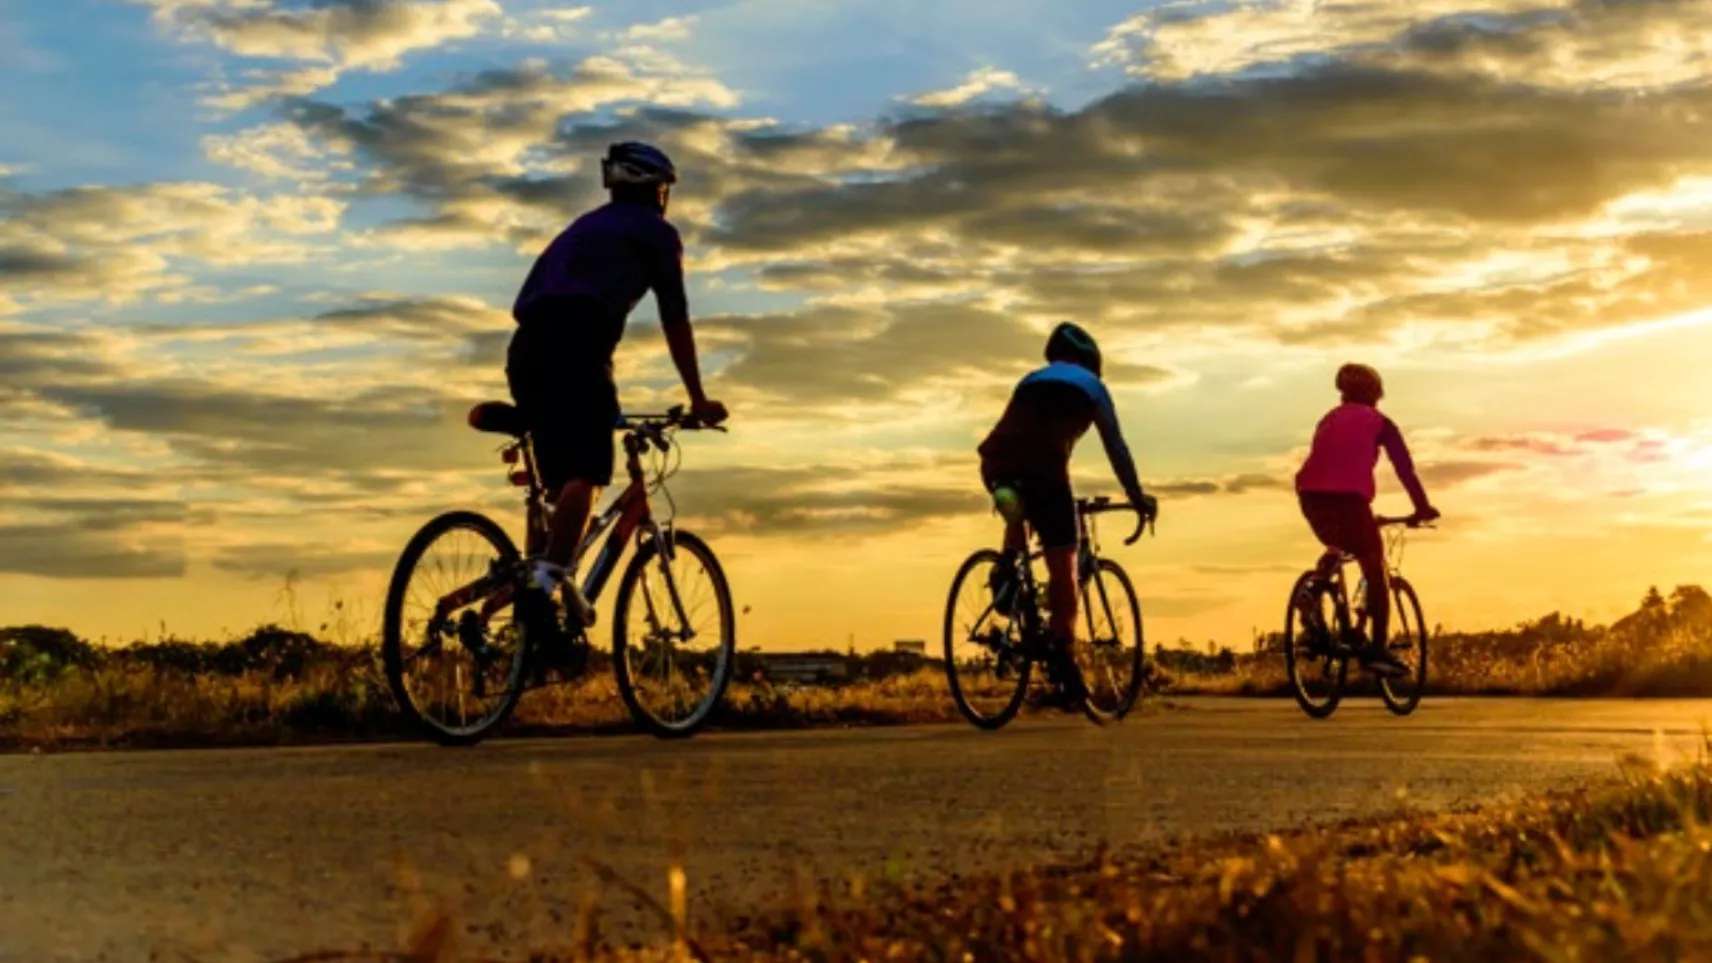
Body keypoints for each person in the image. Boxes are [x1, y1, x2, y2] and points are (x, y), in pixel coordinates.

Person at [506, 141, 727, 629]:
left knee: (563, 484)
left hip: (525, 352)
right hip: (577, 349)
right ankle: (542, 589)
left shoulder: (584, 227)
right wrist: (697, 399)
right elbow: (676, 319)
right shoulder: (656, 233)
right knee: (590, 472)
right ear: (655, 189)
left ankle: (531, 603)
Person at [977, 322, 1156, 691]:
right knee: (1065, 566)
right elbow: (1116, 447)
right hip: (1045, 469)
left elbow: (1017, 432)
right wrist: (1136, 496)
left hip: (996, 461)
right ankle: (1063, 657)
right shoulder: (1093, 387)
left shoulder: (1030, 379)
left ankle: (1008, 568)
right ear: (1092, 361)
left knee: (1020, 509)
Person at [1294, 363, 1438, 677]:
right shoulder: (1380, 422)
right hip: (1350, 499)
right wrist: (1422, 507)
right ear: (1376, 394)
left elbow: (1326, 462)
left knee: (1337, 542)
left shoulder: (1328, 419)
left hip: (1309, 495)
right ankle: (1377, 650)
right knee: (1374, 564)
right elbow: (1404, 469)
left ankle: (1314, 597)